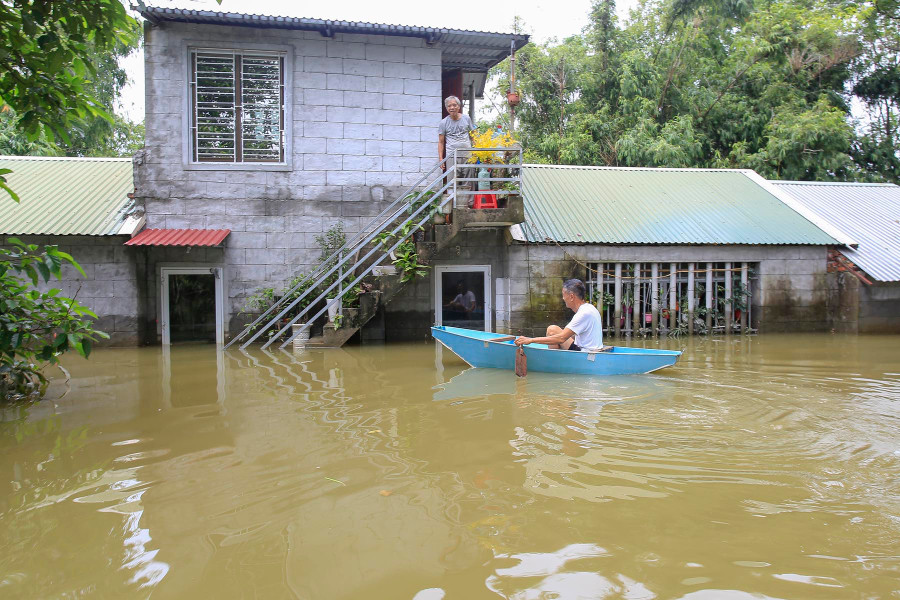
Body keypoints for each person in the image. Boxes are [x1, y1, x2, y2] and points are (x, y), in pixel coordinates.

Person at [515, 279, 605, 351]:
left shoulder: (583, 313)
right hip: (588, 349)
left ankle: (554, 361)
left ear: (571, 296)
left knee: (552, 330)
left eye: (563, 295)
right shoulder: (589, 308)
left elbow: (561, 338)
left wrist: (530, 340)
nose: (563, 298)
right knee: (556, 331)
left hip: (585, 353)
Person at [438, 96, 476, 203]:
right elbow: (441, 142)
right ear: (447, 108)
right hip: (452, 155)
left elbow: (473, 136)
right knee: (452, 180)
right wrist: (441, 159)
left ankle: (469, 204)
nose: (452, 107)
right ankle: (452, 204)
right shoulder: (443, 123)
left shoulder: (466, 119)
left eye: (454, 105)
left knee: (469, 179)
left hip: (467, 154)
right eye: (449, 106)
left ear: (459, 106)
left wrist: (476, 152)